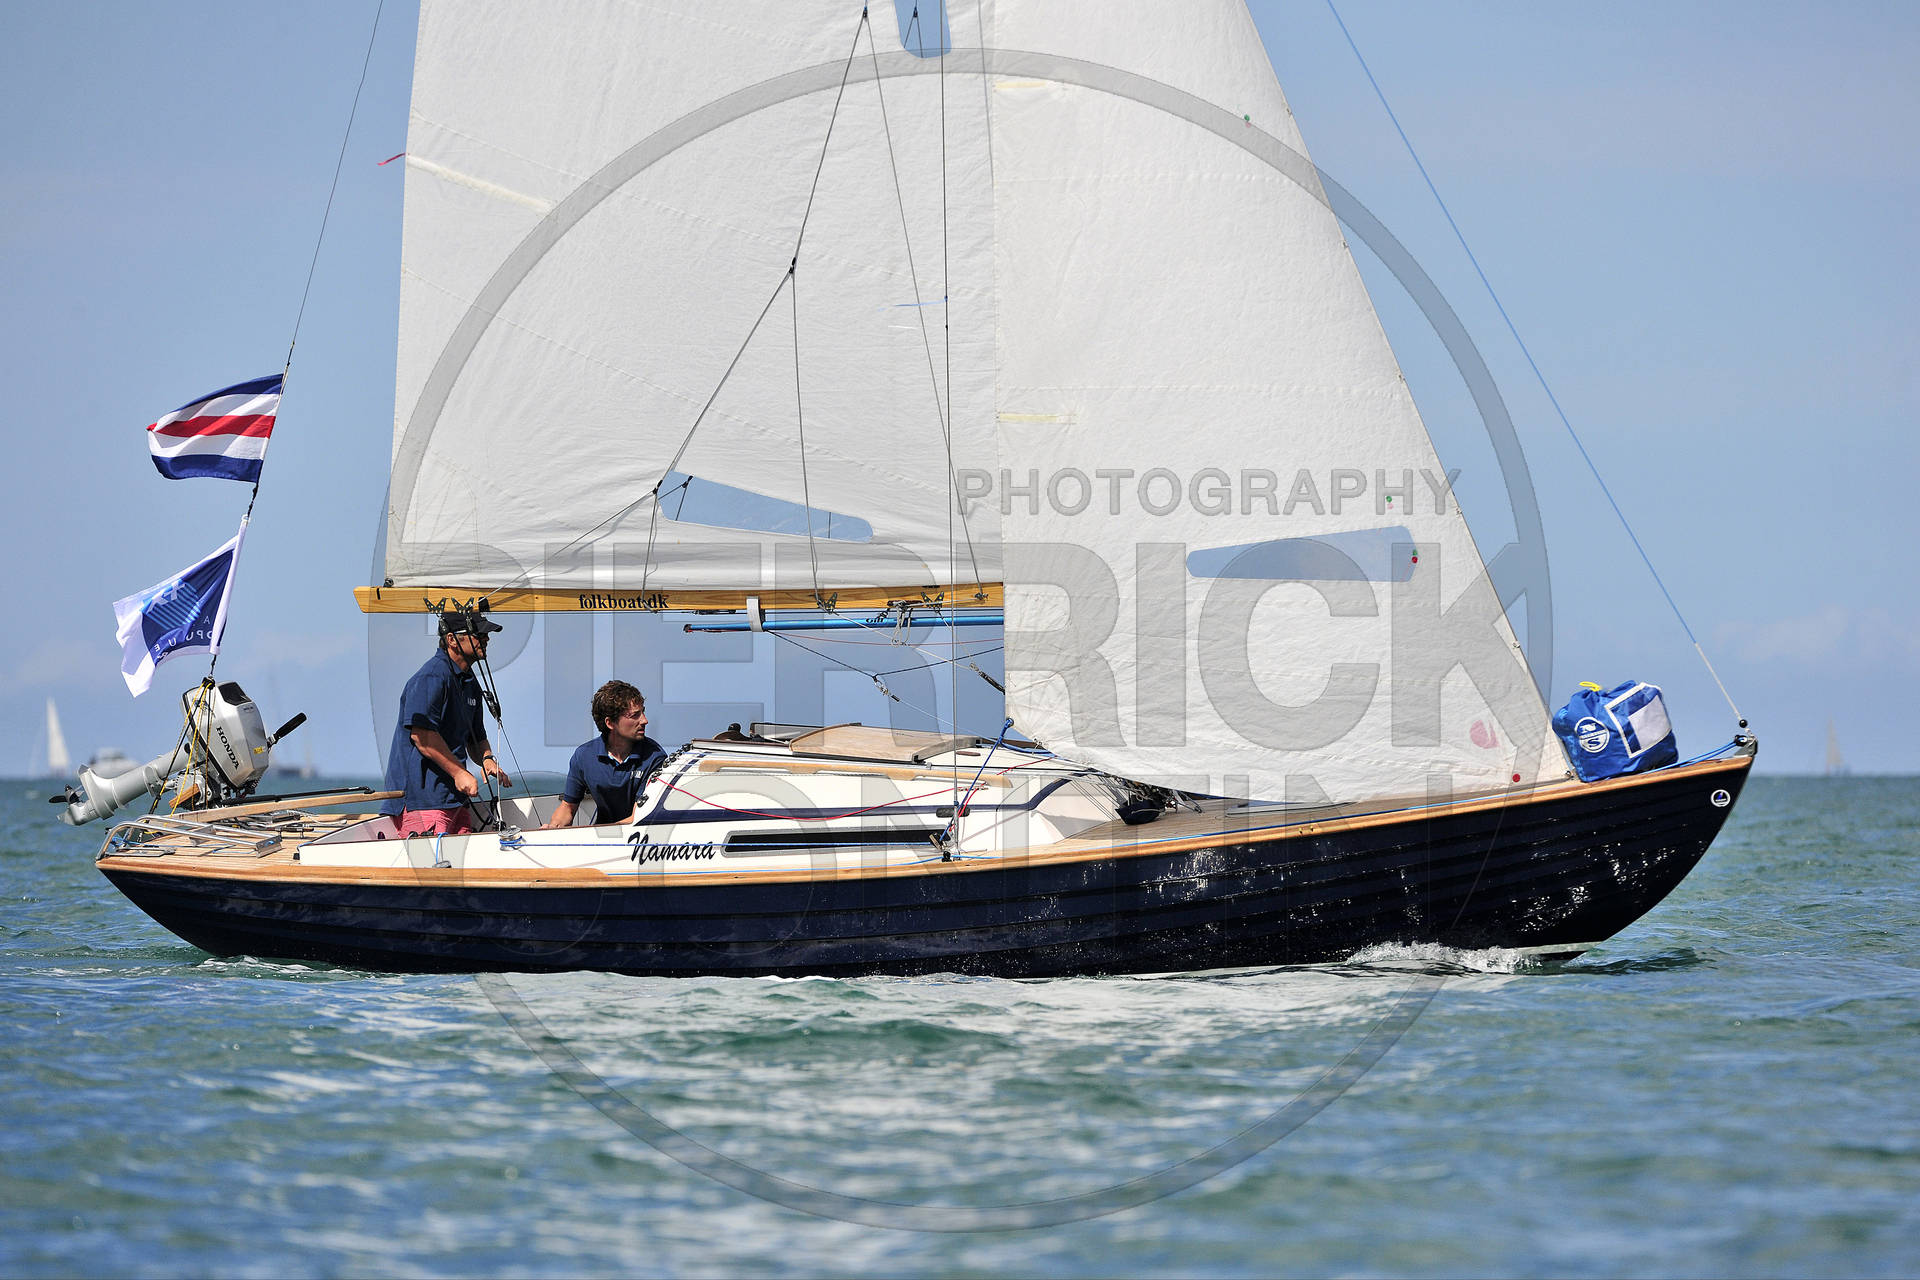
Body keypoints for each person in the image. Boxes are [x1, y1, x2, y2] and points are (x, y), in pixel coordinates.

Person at [382, 610, 513, 837]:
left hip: (455, 800)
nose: (486, 639)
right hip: (422, 801)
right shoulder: (431, 677)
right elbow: (422, 736)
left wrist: (487, 759)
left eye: (485, 635)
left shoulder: (469, 681)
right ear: (452, 639)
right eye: (478, 634)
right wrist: (459, 773)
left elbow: (476, 737)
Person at [543, 680, 666, 828]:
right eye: (635, 715)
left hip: (639, 836)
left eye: (643, 712)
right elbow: (567, 807)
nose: (645, 720)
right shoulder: (584, 756)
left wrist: (593, 836)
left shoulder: (655, 757)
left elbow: (637, 817)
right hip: (600, 835)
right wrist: (552, 829)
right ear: (610, 723)